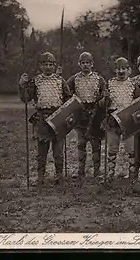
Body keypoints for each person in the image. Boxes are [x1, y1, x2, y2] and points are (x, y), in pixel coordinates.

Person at [18, 51, 72, 186]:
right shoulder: (35, 81)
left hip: (58, 118)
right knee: (42, 151)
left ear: (54, 66)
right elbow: (26, 98)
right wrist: (21, 85)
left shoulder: (60, 80)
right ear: (40, 66)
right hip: (42, 119)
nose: (48, 67)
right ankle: (40, 177)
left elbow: (68, 99)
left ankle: (59, 176)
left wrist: (66, 116)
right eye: (45, 64)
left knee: (58, 151)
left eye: (50, 64)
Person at [67, 52, 106, 181]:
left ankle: (96, 171)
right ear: (79, 64)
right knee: (81, 143)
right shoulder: (74, 79)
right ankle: (81, 170)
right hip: (81, 114)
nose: (85, 65)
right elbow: (66, 92)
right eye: (83, 63)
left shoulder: (99, 79)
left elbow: (104, 96)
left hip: (95, 114)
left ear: (92, 64)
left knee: (96, 144)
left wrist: (103, 99)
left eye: (87, 63)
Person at [99, 57, 136, 181]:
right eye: (118, 69)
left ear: (128, 70)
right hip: (113, 119)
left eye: (123, 69)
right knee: (112, 148)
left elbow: (139, 102)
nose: (121, 71)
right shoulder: (109, 83)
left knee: (131, 148)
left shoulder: (133, 84)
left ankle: (132, 175)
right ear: (115, 70)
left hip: (128, 119)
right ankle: (110, 174)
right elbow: (101, 104)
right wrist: (105, 99)